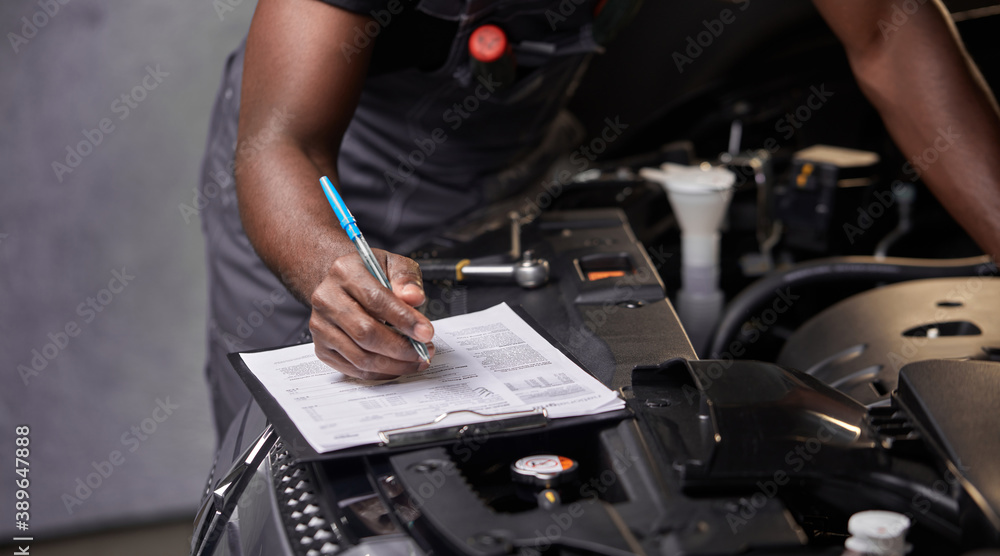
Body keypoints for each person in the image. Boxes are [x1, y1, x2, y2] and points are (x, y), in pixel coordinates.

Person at [198, 0, 1000, 441]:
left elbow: (892, 40)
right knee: (299, 462)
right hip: (327, 189)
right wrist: (328, 269)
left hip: (517, 163)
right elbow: (282, 142)